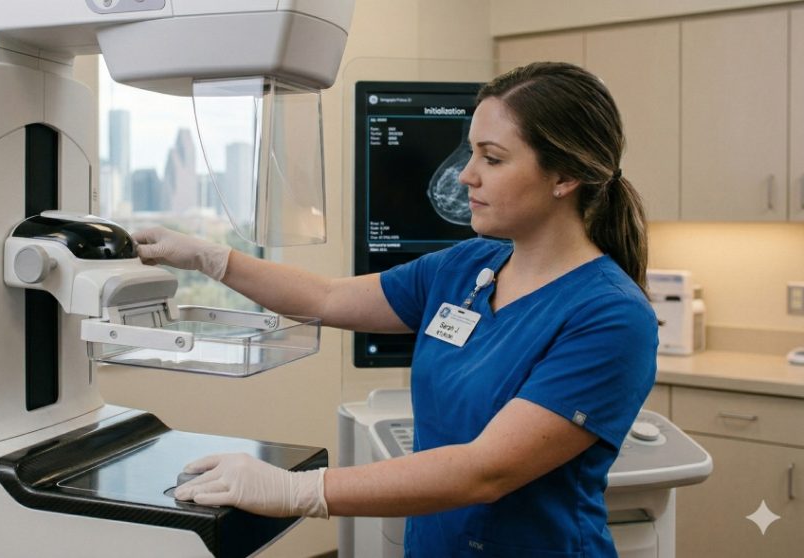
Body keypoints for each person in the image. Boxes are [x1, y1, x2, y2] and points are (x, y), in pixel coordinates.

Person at [133, 61, 658, 557]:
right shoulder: (468, 267)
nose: (465, 176)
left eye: (492, 158)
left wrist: (300, 490)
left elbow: (486, 471)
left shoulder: (610, 317)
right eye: (470, 153)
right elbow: (326, 297)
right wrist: (209, 258)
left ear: (564, 177)